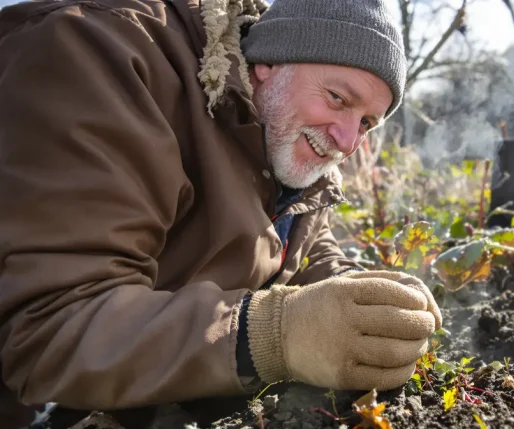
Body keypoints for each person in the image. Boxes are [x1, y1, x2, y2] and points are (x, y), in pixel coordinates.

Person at [0, 0, 443, 427]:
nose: (348, 141)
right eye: (337, 98)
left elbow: (302, 243)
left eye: (367, 122)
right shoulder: (103, 55)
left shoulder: (283, 129)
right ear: (269, 62)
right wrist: (273, 335)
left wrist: (362, 294)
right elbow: (50, 330)